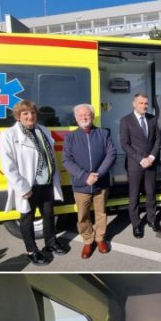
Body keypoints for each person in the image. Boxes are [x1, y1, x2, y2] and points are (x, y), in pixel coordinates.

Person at [0, 100, 67, 265]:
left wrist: (53, 177)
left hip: (46, 181)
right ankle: (32, 251)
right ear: (18, 116)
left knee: (49, 214)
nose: (30, 116)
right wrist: (22, 187)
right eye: (25, 113)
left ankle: (51, 243)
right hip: (28, 185)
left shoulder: (43, 130)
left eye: (32, 112)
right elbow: (8, 166)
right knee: (27, 218)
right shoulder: (8, 135)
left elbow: (49, 156)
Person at [62, 103, 116, 258]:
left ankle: (100, 239)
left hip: (101, 183)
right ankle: (87, 240)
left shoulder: (103, 134)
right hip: (81, 185)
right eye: (80, 115)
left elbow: (111, 154)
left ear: (92, 116)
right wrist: (85, 176)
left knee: (101, 213)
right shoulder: (70, 138)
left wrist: (98, 174)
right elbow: (67, 160)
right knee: (83, 216)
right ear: (76, 118)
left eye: (87, 114)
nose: (84, 117)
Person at [119, 93, 161, 236]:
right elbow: (125, 144)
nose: (144, 106)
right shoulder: (126, 121)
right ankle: (136, 224)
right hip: (135, 164)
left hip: (151, 163)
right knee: (134, 196)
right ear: (134, 104)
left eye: (146, 103)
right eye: (141, 103)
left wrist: (151, 157)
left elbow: (158, 139)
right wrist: (140, 159)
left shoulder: (152, 119)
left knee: (151, 193)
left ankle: (152, 220)